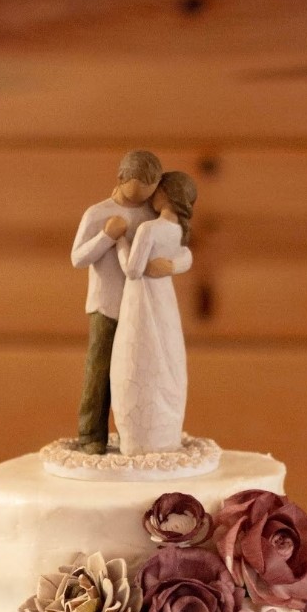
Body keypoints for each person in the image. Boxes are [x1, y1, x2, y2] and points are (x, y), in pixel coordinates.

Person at [70, 150, 192, 453]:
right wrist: (107, 237)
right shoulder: (97, 214)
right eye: (137, 194)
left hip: (143, 311)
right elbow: (77, 258)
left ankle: (134, 436)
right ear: (121, 179)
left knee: (136, 372)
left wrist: (172, 266)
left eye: (149, 195)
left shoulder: (152, 215)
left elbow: (182, 251)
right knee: (99, 370)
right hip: (108, 304)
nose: (143, 203)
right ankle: (91, 434)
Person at [109, 171, 197, 457]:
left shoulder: (149, 230)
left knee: (137, 359)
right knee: (166, 358)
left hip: (142, 300)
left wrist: (120, 240)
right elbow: (187, 257)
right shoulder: (179, 230)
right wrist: (171, 267)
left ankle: (140, 440)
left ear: (164, 195)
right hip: (164, 300)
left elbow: (132, 270)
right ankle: (164, 434)